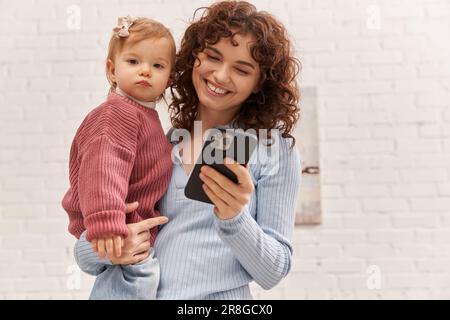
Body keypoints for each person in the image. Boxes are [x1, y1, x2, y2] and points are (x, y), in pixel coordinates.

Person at [74, 1, 301, 299]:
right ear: (194, 57)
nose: (220, 75)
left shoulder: (273, 149)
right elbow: (85, 257)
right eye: (212, 57)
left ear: (260, 83)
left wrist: (234, 216)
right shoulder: (163, 142)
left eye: (241, 69)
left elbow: (274, 271)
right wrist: (115, 247)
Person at [61, 16, 176, 299]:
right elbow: (102, 170)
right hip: (114, 229)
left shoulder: (146, 117)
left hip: (128, 232)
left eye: (157, 65)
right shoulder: (117, 114)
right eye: (134, 62)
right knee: (136, 279)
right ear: (112, 70)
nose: (145, 71)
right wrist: (106, 222)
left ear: (169, 78)